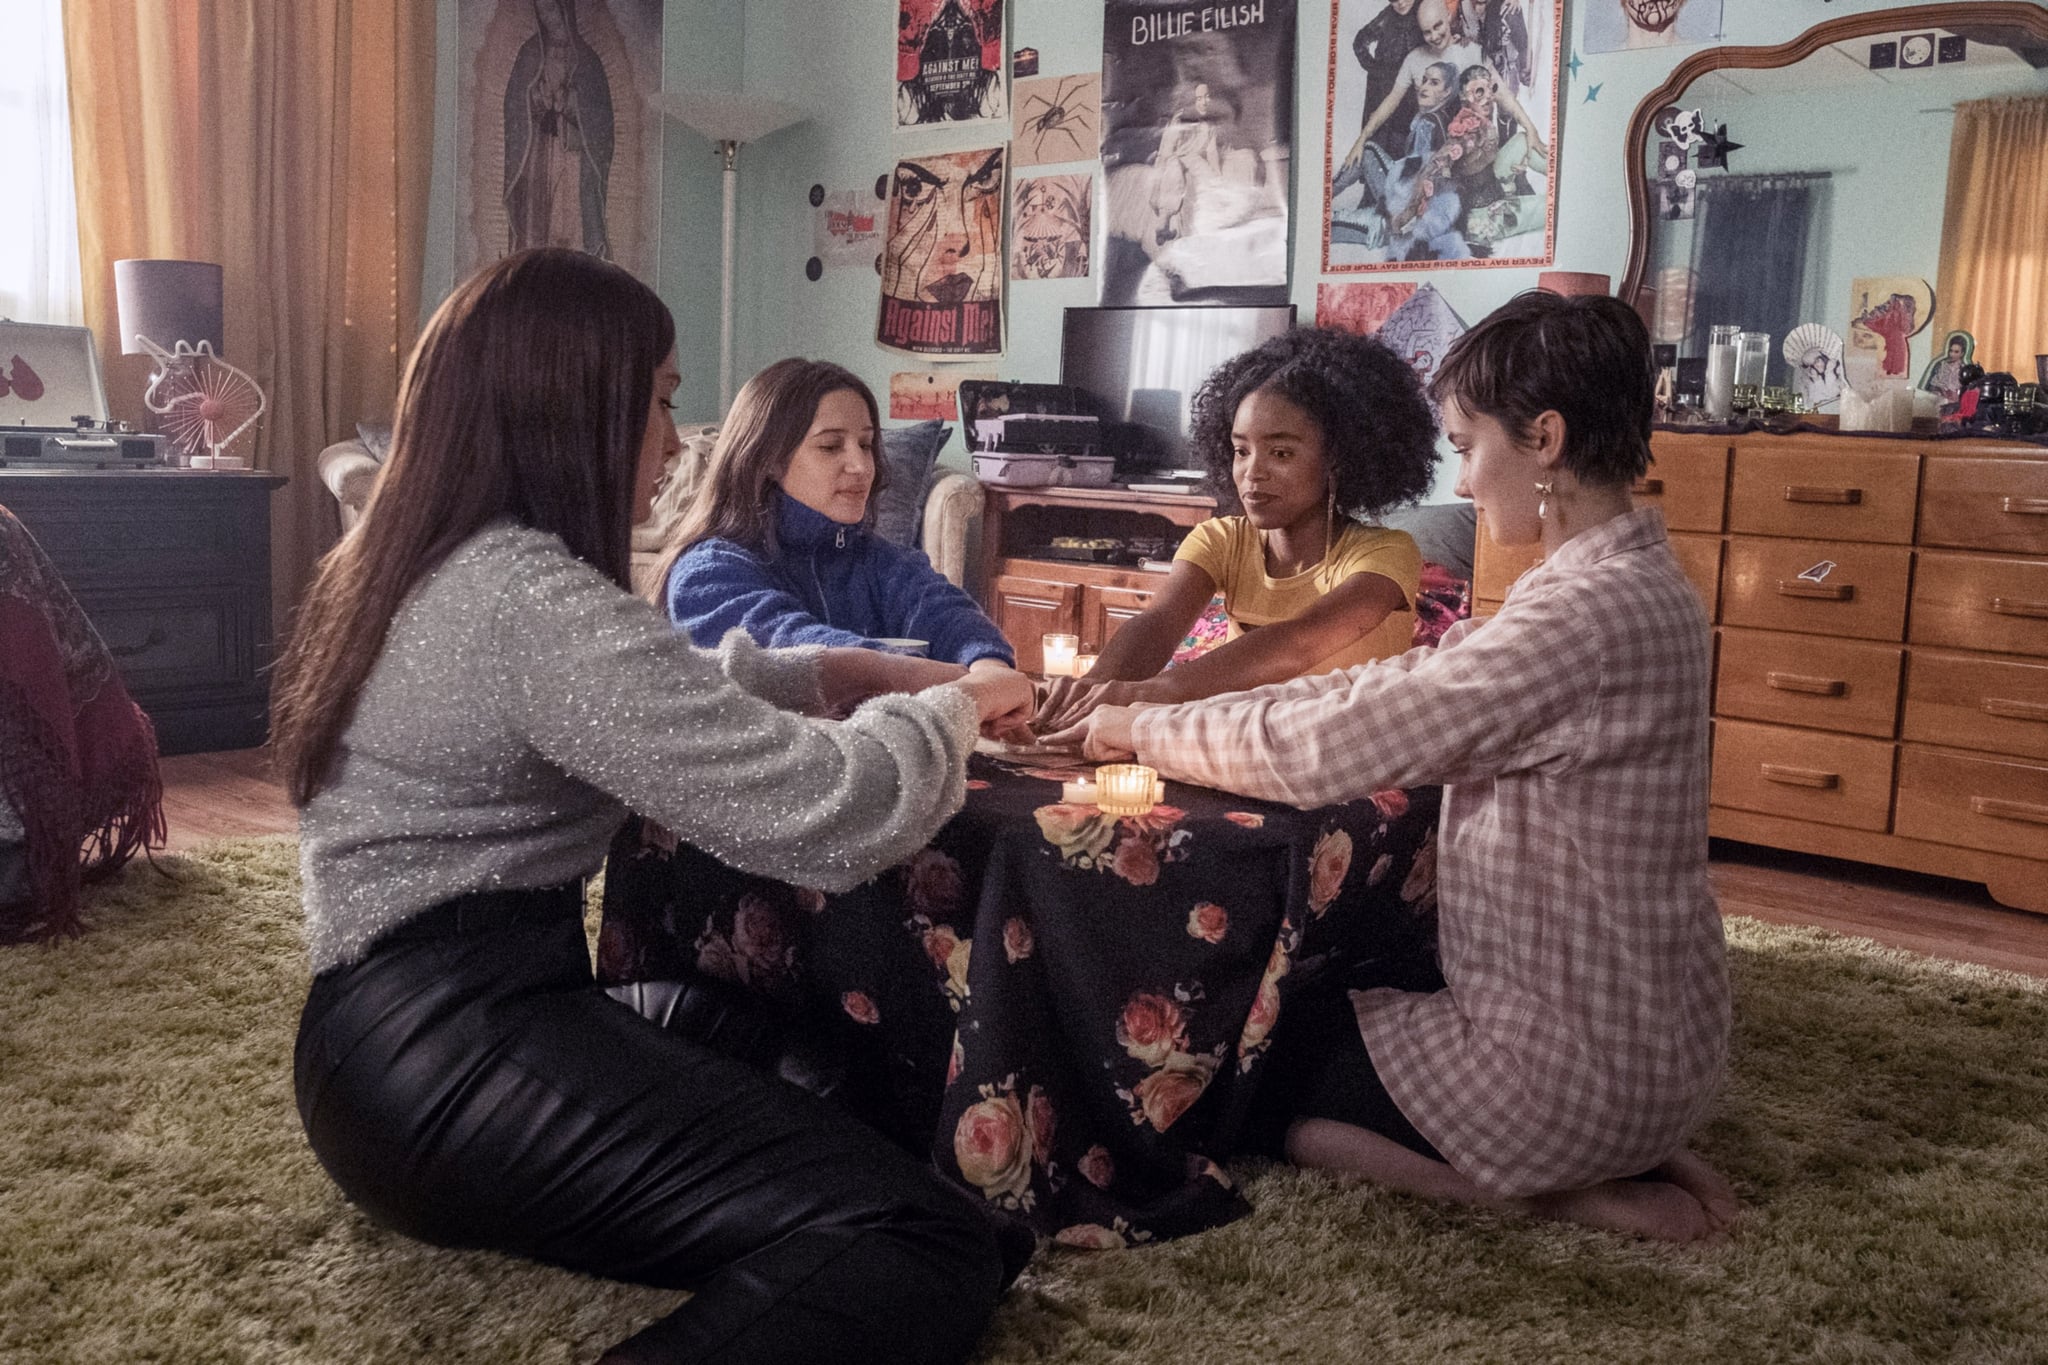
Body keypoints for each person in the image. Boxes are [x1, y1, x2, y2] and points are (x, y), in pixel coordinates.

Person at [270, 248, 1038, 1364]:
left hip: (408, 1029)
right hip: (441, 1060)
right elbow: (829, 807)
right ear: (569, 407)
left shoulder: (437, 562)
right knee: (921, 1241)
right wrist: (954, 710)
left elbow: (670, 687)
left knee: (831, 1068)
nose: (677, 442)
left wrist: (866, 675)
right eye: (665, 401)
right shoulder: (527, 602)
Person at [1047, 292, 1741, 1244]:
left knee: (1229, 1067)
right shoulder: (1637, 586)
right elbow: (1406, 684)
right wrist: (1177, 703)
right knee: (1328, 993)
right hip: (1663, 1043)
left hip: (1575, 1072)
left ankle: (1561, 1188)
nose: (1462, 479)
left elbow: (1323, 748)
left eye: (1467, 445)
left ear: (1544, 437)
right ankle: (1621, 1145)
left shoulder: (1582, 615)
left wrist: (1139, 728)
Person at [1034, 327, 1436, 733]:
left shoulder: (1387, 552)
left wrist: (1153, 692)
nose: (1252, 472)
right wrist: (1091, 693)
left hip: (1347, 752)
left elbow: (1301, 640)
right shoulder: (1220, 540)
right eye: (1241, 450)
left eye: (1280, 453)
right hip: (1238, 746)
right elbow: (1158, 624)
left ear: (1338, 460)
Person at [657, 359, 1015, 672]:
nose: (861, 466)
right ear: (767, 460)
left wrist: (991, 667)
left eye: (866, 444)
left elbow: (947, 613)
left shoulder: (880, 560)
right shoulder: (708, 573)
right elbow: (795, 648)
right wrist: (949, 681)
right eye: (830, 446)